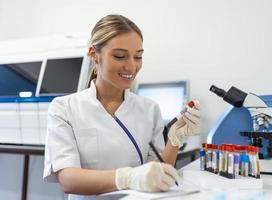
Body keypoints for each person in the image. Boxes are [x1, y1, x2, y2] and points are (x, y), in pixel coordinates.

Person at [43, 14, 201, 199]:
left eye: (138, 56)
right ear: (94, 54)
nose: (132, 66)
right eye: (120, 56)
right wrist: (127, 177)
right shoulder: (64, 108)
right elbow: (68, 180)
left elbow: (159, 171)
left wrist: (174, 140)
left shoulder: (149, 109)